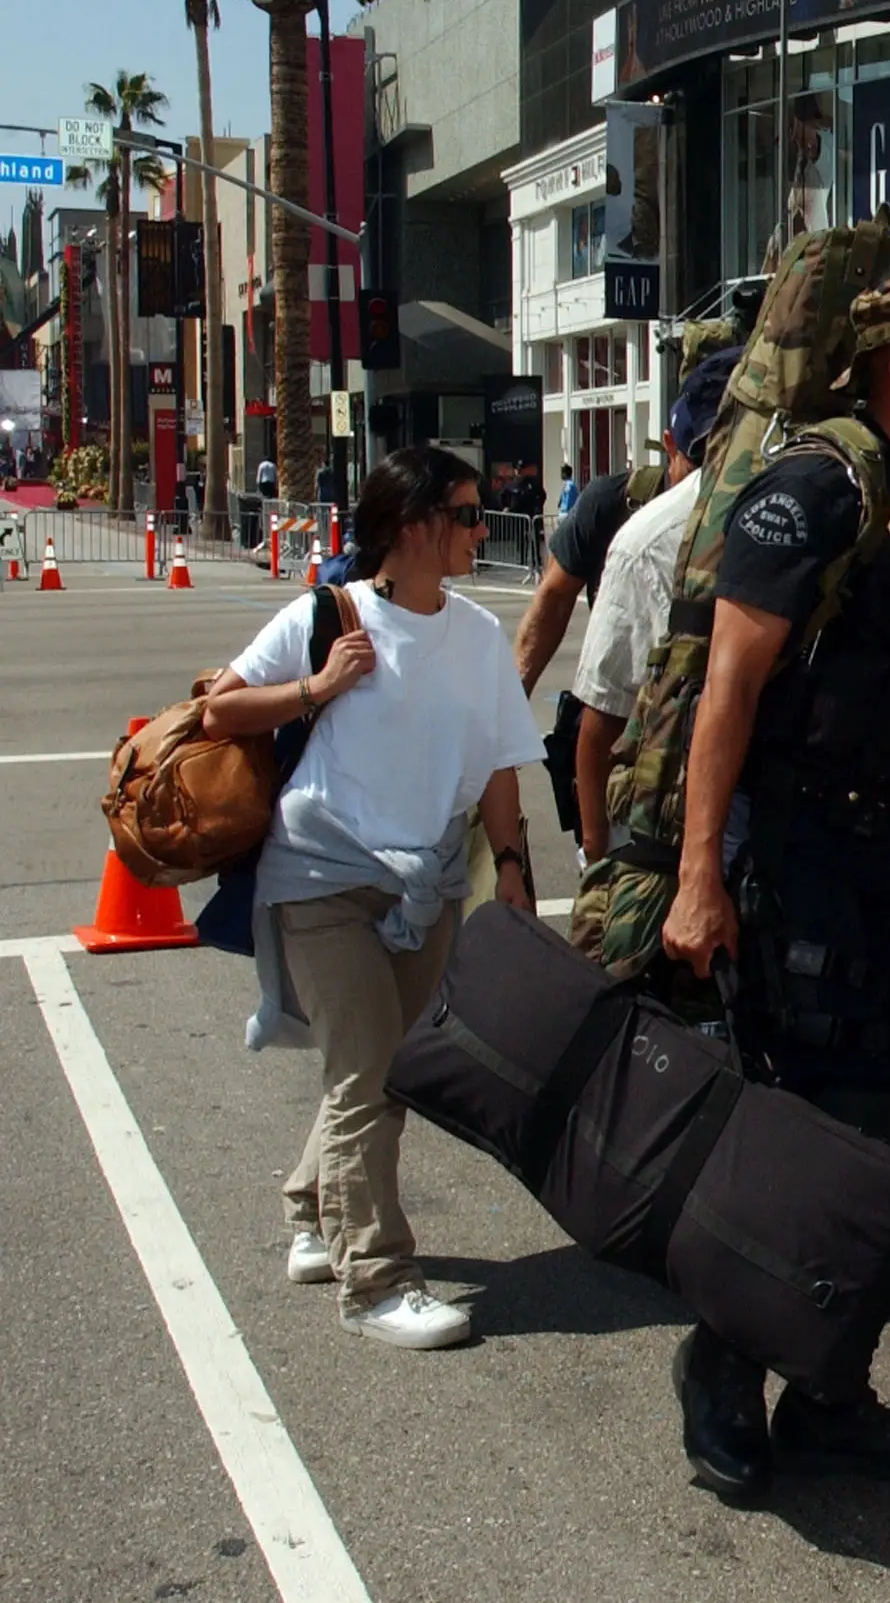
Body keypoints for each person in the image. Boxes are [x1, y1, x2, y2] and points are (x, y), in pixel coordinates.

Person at [656, 268, 890, 1501]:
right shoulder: (814, 489)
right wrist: (700, 875)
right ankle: (722, 1372)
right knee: (814, 1136)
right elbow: (728, 694)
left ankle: (831, 1394)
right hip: (808, 860)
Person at [200, 447, 543, 1353]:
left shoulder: (473, 633)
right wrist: (317, 686)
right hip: (320, 877)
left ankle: (313, 1207)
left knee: (389, 1065)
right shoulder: (328, 615)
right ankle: (377, 1278)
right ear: (411, 526)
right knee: (369, 1071)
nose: (481, 528)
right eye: (466, 515)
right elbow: (217, 713)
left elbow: (501, 757)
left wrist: (510, 866)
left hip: (424, 881)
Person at [568, 350, 744, 863]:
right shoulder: (646, 536)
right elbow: (600, 722)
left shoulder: (648, 536)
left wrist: (597, 855)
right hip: (670, 828)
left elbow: (600, 719)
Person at [513, 452, 663, 694]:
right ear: (671, 445)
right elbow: (554, 598)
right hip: (617, 694)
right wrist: (513, 703)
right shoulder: (615, 500)